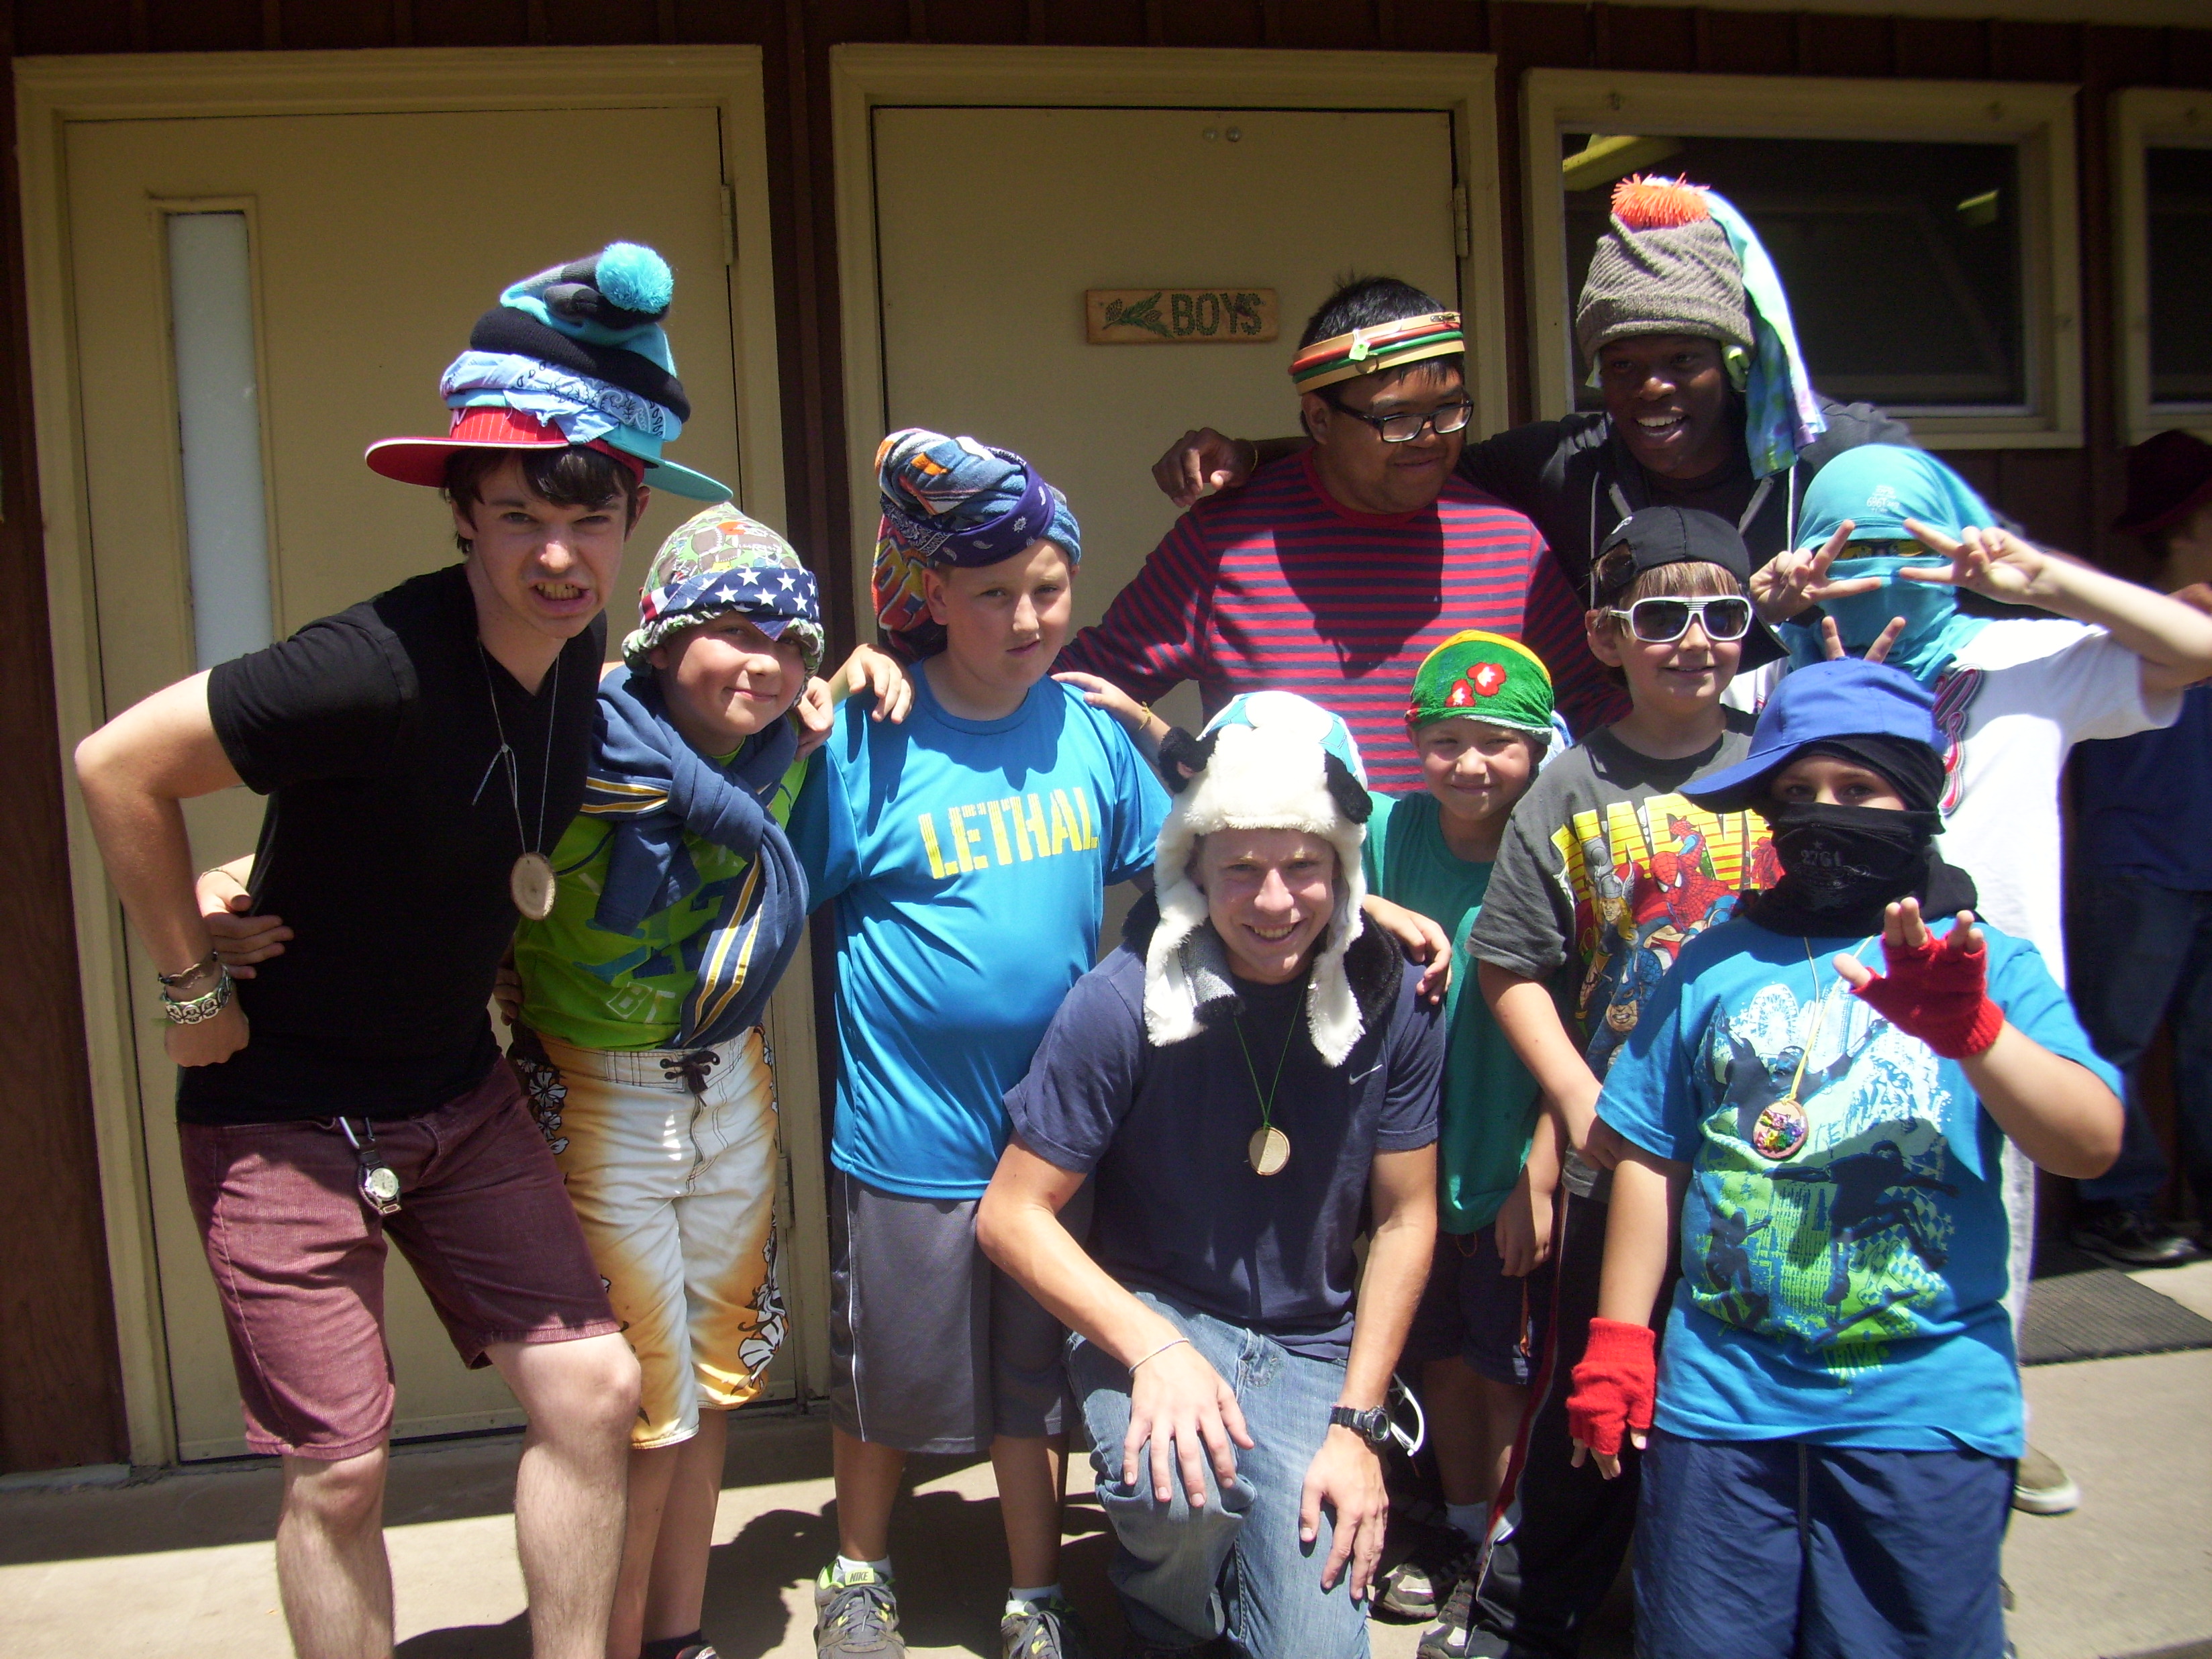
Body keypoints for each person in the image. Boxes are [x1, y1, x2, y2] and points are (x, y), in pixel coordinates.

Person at [74, 244, 732, 1659]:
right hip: (281, 1109)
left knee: (593, 1392)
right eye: (519, 519)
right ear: (462, 516)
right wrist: (189, 982)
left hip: (454, 1087)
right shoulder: (365, 665)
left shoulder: (577, 649)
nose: (557, 556)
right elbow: (116, 764)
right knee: (341, 1470)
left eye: (591, 518)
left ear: (632, 514)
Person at [1566, 657, 2122, 1659]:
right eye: (1796, 793)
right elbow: (1654, 1155)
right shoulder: (1714, 961)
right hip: (1723, 1408)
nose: (1824, 814)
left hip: (1923, 1413)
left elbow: (2087, 1144)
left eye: (1858, 789)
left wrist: (1977, 1035)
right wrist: (1618, 1340)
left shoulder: (1986, 963)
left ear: (1918, 796)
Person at [1756, 441, 2212, 1512]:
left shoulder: (2027, 658)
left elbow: (2195, 646)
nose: (1875, 570)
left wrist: (2038, 578)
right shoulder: (1776, 681)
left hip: (1986, 1021)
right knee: (1822, 1239)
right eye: (1846, 547)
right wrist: (1759, 616)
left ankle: (1984, 1441)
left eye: (1899, 542)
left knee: (1986, 1243)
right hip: (1817, 1020)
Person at [788, 430, 1170, 1659]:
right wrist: (817, 705)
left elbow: (1187, 873)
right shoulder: (875, 733)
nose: (1026, 617)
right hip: (908, 1131)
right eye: (993, 593)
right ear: (934, 596)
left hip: (1051, 1141)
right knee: (884, 1376)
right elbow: (778, 879)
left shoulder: (1089, 732)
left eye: (1047, 589)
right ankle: (859, 1571)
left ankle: (1034, 1594)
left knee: (1033, 1382)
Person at [499, 505, 903, 1659]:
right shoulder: (570, 751)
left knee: (717, 1382)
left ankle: (673, 1632)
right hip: (598, 1094)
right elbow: (423, 836)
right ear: (663, 639)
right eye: (732, 632)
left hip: (732, 1080)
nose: (764, 665)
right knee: (638, 1406)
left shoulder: (783, 750)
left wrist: (867, 662)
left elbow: (869, 676)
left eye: (789, 643)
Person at [976, 691, 1444, 1659]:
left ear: (1342, 870)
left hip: (1312, 1349)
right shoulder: (1122, 999)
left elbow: (1404, 1219)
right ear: (1194, 870)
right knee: (1175, 1495)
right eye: (1241, 870)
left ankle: (1246, 1565)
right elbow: (1011, 1215)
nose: (1274, 902)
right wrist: (1152, 1349)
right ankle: (1171, 1616)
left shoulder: (1395, 993)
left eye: (1303, 867)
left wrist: (1358, 1426)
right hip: (1162, 1313)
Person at [1148, 176, 1917, 734]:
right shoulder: (1561, 467)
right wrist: (1250, 456)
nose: (1652, 387)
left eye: (1683, 359)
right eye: (1621, 364)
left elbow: (1598, 705)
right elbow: (1383, 465)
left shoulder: (1830, 453)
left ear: (1732, 360)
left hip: (1825, 741)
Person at [1454, 505, 1783, 1659]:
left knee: (1732, 1400)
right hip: (1615, 1161)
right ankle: (1528, 1613)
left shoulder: (1785, 770)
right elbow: (1509, 960)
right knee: (1587, 1402)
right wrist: (1572, 1096)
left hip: (1763, 1171)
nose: (1694, 640)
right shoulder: (1569, 787)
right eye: (1661, 617)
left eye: (1723, 615)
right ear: (1606, 636)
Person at [1055, 276, 1550, 791]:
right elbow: (1079, 697)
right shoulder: (1226, 541)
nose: (1428, 438)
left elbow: (1588, 717)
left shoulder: (1511, 546)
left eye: (1448, 410)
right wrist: (1161, 821)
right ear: (1320, 420)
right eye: (1396, 418)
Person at [1354, 634, 1556, 1640]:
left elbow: (1589, 1024)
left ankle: (1504, 1561)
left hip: (1508, 1156)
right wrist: (1375, 904)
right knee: (1436, 1359)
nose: (1470, 764)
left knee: (1506, 1373)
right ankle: (1463, 1529)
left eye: (1496, 742)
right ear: (1413, 740)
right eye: (1446, 741)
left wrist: (1542, 1174)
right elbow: (1300, 862)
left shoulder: (1554, 843)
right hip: (1412, 1164)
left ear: (1539, 748)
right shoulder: (1392, 830)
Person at [2064, 430, 2212, 1268]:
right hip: (2136, 868)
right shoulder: (2120, 632)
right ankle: (2113, 1206)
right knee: (2111, 1039)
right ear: (2182, 525)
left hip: (2194, 862)